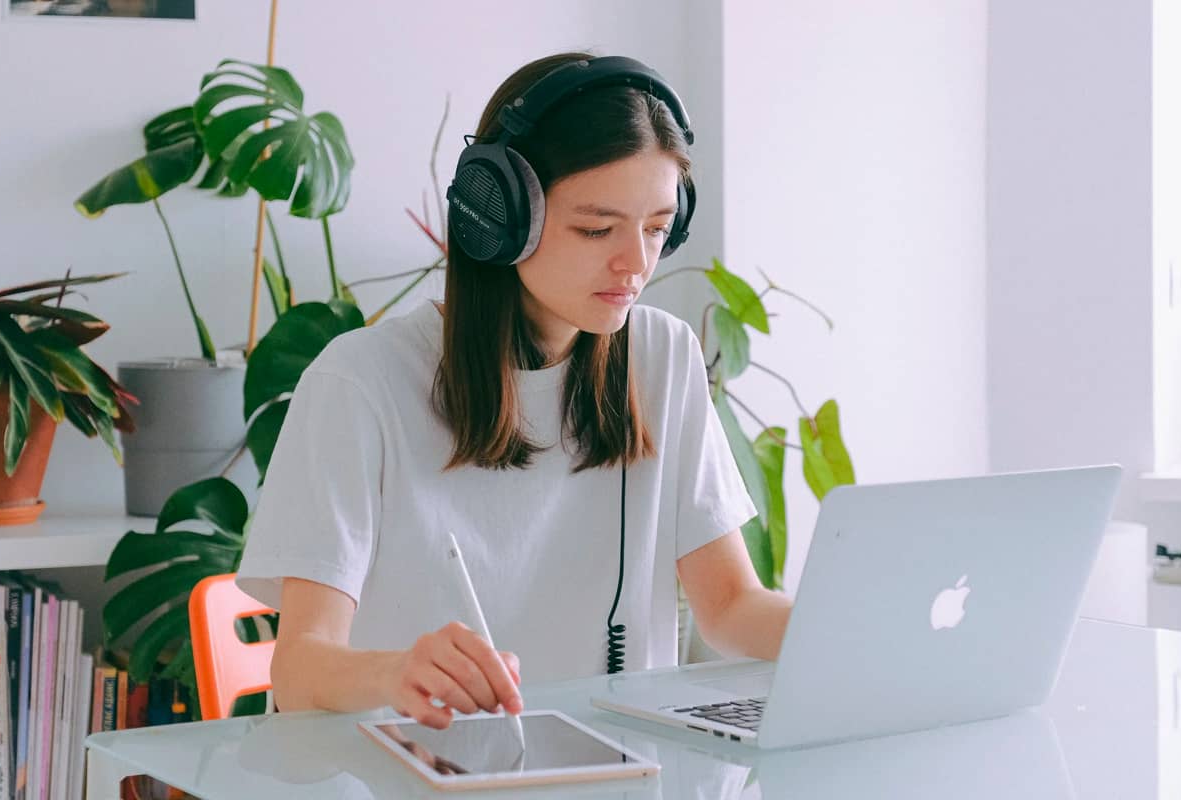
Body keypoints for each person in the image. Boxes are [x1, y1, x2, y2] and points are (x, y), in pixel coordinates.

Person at [235, 51, 794, 730]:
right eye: (596, 228)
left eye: (656, 228)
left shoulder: (663, 357)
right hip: (407, 772)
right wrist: (394, 671)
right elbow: (298, 668)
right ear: (496, 217)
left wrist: (866, 633)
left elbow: (731, 607)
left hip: (618, 776)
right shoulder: (361, 382)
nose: (636, 263)